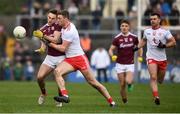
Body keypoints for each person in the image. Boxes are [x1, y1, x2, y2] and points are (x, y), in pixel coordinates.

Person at [47, 10, 115, 107]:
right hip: (70, 59)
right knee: (57, 71)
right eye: (57, 18)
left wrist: (50, 44)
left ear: (66, 19)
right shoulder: (64, 27)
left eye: (59, 18)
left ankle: (111, 101)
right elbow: (56, 36)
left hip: (79, 59)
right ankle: (65, 95)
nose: (58, 20)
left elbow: (62, 48)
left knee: (93, 83)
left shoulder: (70, 31)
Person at [134, 13, 176, 105]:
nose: (152, 20)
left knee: (160, 80)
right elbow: (144, 40)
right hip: (151, 57)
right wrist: (137, 47)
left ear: (159, 20)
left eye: (154, 19)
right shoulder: (146, 31)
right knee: (153, 77)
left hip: (162, 59)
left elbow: (173, 42)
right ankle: (156, 96)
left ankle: (156, 91)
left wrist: (164, 45)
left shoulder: (165, 31)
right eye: (151, 19)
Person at [33, 9, 65, 107]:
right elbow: (44, 42)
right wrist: (42, 49)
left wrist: (43, 35)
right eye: (49, 17)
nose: (50, 20)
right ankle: (43, 93)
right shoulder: (43, 28)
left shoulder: (58, 26)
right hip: (50, 57)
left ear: (56, 19)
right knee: (39, 77)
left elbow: (56, 40)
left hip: (61, 57)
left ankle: (60, 98)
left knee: (59, 77)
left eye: (53, 18)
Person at [109, 20, 143, 104]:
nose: (124, 27)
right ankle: (124, 99)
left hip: (130, 64)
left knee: (128, 81)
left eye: (126, 26)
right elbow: (110, 49)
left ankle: (130, 83)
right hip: (119, 64)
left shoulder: (134, 37)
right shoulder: (117, 38)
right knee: (122, 84)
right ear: (120, 27)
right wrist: (112, 55)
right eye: (122, 26)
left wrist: (140, 56)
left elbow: (140, 47)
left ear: (129, 27)